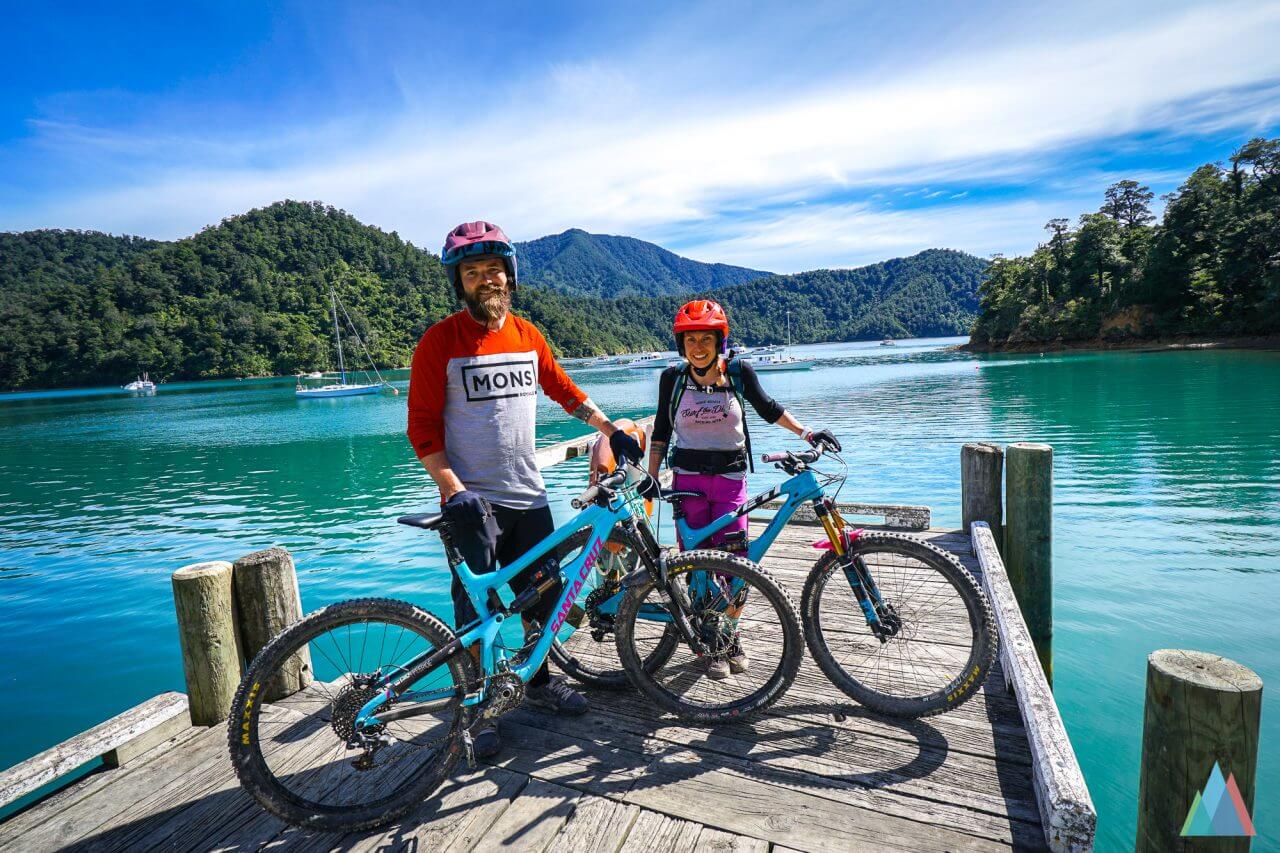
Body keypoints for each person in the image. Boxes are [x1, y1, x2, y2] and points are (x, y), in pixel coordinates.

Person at [407, 220, 643, 758]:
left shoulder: (528, 336)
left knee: (544, 595)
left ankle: (537, 682)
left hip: (528, 495)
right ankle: (477, 705)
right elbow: (421, 427)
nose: (486, 280)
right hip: (472, 505)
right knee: (478, 613)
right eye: (473, 273)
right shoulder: (438, 343)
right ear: (458, 282)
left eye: (494, 270)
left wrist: (610, 431)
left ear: (509, 276)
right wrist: (452, 489)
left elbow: (563, 389)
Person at [646, 300, 840, 680]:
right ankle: (709, 643)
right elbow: (661, 431)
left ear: (720, 342)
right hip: (687, 483)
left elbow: (769, 408)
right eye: (690, 340)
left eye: (706, 338)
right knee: (699, 563)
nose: (698, 347)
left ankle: (729, 634)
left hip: (731, 481)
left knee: (737, 565)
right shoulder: (673, 379)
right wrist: (653, 479)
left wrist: (806, 432)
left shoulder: (737, 372)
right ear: (680, 345)